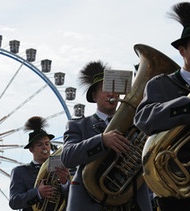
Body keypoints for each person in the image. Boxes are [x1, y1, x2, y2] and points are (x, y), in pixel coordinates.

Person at [134, 2, 190, 211]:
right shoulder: (161, 84)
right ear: (181, 51)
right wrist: (186, 106)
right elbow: (143, 119)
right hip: (176, 189)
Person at [61, 61, 152, 210]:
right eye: (105, 89)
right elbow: (67, 158)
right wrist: (102, 141)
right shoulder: (78, 125)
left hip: (131, 203)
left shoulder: (135, 124)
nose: (112, 94)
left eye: (115, 89)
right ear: (94, 95)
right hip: (92, 204)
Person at [9, 116, 70, 211]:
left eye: (47, 144)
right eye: (39, 145)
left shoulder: (60, 169)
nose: (45, 147)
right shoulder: (20, 171)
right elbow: (14, 202)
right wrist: (38, 193)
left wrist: (64, 183)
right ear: (31, 149)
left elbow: (74, 199)